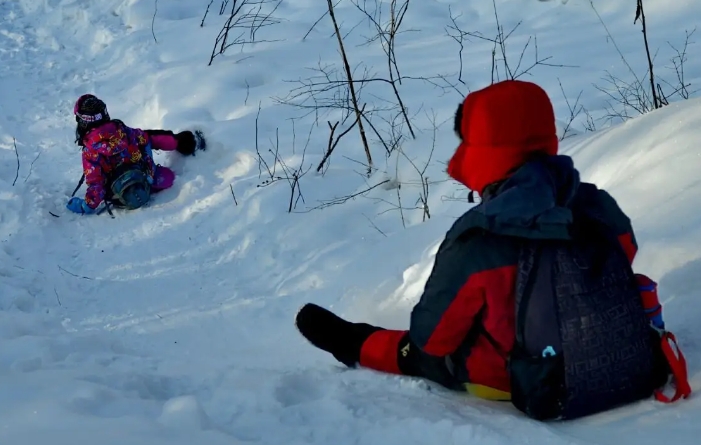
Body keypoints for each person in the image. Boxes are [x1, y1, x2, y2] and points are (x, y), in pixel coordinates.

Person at [296, 80, 686, 416]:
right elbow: (624, 256)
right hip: (623, 360)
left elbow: (432, 340)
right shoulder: (597, 206)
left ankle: (353, 342)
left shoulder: (479, 237)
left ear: (483, 153)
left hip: (522, 381)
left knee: (418, 353)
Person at [67, 94, 204, 214]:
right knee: (149, 139)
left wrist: (86, 206)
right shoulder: (121, 131)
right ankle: (183, 142)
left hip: (119, 195)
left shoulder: (90, 151)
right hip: (145, 178)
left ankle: (131, 192)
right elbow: (143, 138)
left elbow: (95, 183)